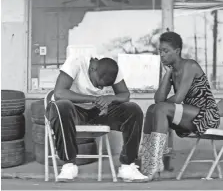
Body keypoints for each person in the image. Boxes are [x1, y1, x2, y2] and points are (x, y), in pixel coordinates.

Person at [45, 53, 148, 182]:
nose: (100, 88)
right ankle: (68, 165)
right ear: (93, 69)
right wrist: (94, 99)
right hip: (71, 112)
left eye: (104, 87)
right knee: (61, 106)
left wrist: (110, 98)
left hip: (97, 112)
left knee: (133, 109)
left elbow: (125, 94)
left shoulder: (112, 68)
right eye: (99, 84)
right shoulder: (76, 62)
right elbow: (59, 93)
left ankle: (127, 166)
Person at [139, 31, 220, 180]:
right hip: (190, 115)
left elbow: (178, 98)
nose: (162, 55)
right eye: (160, 51)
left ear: (177, 51)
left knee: (161, 109)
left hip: (206, 115)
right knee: (152, 109)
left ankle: (154, 162)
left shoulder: (189, 65)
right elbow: (158, 99)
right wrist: (167, 74)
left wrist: (162, 105)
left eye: (166, 51)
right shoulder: (172, 71)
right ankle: (148, 158)